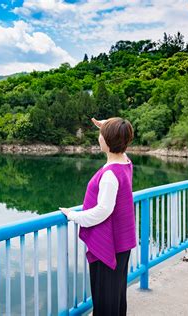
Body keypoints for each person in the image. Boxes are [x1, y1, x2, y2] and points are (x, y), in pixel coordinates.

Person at [60, 117, 136, 316]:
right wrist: (108, 127)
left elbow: (103, 211)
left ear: (108, 141)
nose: (98, 137)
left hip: (109, 244)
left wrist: (73, 216)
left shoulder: (111, 174)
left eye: (101, 135)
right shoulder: (125, 163)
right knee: (116, 295)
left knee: (105, 301)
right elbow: (121, 145)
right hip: (121, 242)